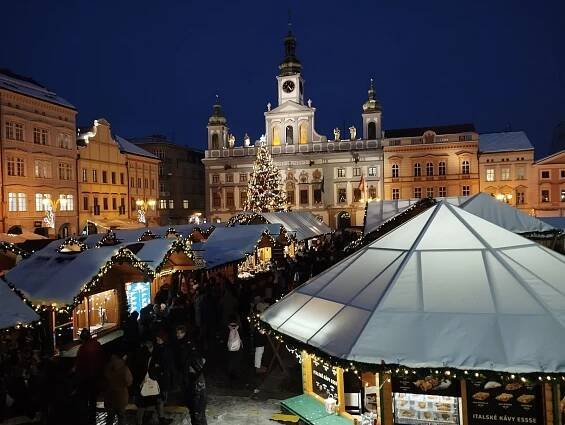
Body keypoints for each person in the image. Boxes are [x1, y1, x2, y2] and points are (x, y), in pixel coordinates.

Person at [174, 325, 207, 425]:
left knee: (197, 411)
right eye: (177, 333)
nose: (177, 335)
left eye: (179, 333)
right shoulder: (183, 344)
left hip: (192, 383)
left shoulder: (187, 345)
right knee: (195, 411)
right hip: (188, 379)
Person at [75, 328, 105, 425]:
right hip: (95, 376)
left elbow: (79, 364)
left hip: (85, 377)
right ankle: (92, 418)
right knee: (93, 399)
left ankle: (85, 418)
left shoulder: (83, 349)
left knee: (84, 399)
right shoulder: (97, 345)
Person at [103, 345, 133, 425]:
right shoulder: (124, 368)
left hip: (109, 396)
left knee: (110, 417)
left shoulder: (107, 367)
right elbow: (129, 382)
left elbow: (103, 381)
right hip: (121, 396)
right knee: (121, 417)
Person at [153, 330, 174, 425]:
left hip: (163, 377)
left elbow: (166, 364)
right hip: (162, 377)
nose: (157, 339)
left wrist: (158, 365)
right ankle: (161, 417)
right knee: (161, 398)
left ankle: (159, 416)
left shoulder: (163, 349)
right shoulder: (163, 348)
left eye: (158, 338)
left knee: (162, 397)